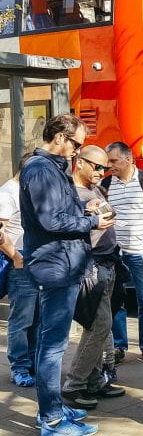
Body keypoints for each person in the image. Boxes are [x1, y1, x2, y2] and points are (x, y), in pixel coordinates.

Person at [20, 114, 113, 435]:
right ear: (59, 137)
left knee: (53, 344)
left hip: (65, 264)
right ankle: (52, 419)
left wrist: (83, 212)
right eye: (76, 143)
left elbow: (59, 214)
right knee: (52, 347)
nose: (78, 150)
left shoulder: (51, 168)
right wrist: (91, 223)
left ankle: (55, 409)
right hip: (56, 266)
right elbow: (51, 221)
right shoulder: (41, 169)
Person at [62, 145, 126, 409]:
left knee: (100, 326)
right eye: (97, 166)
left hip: (107, 262)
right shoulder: (69, 192)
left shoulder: (95, 188)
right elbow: (67, 226)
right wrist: (86, 214)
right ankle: (75, 383)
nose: (102, 171)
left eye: (105, 167)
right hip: (91, 266)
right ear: (80, 163)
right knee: (98, 325)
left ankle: (93, 379)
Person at [104, 142, 143, 365]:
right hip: (116, 253)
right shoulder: (106, 183)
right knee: (117, 302)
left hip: (142, 253)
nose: (110, 166)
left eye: (114, 161)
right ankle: (119, 345)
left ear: (128, 160)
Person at [0, 153, 38, 389]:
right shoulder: (7, 193)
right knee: (22, 319)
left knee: (35, 318)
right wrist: (16, 256)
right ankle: (20, 367)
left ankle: (31, 363)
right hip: (21, 264)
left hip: (32, 261)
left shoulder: (22, 190)